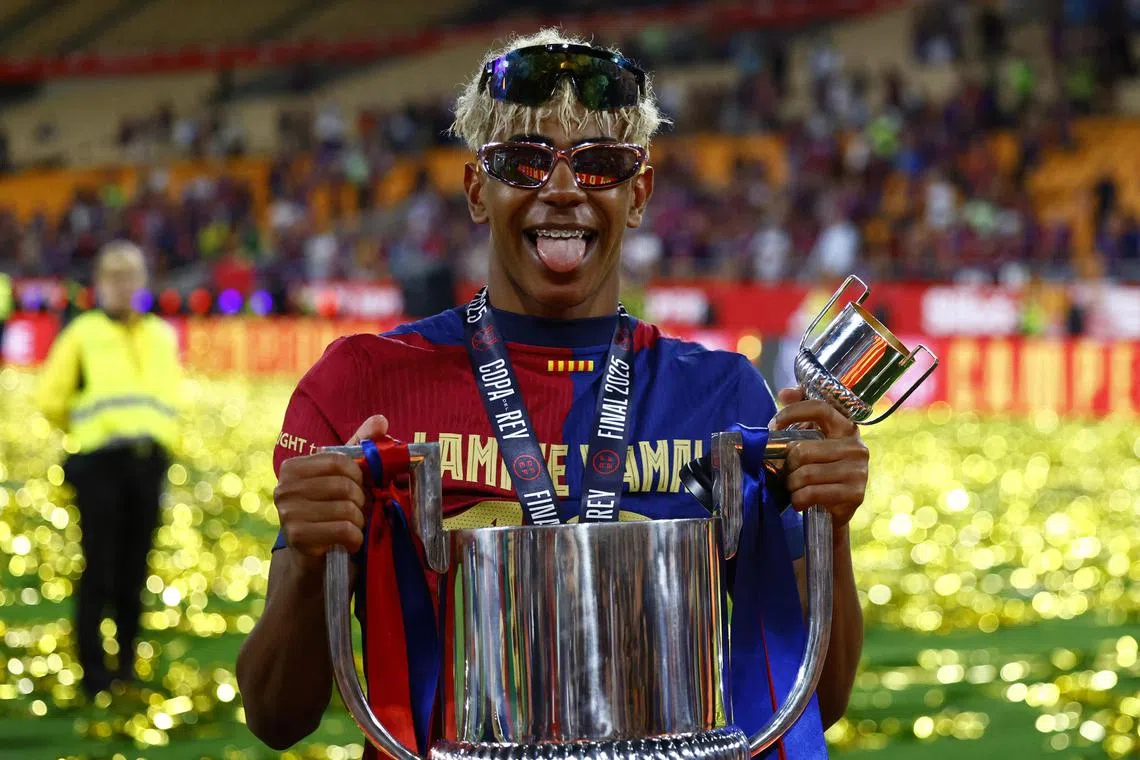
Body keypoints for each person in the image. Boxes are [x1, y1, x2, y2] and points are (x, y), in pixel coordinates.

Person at [237, 30, 867, 756]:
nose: (562, 189)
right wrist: (310, 564)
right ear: (479, 189)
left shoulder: (724, 396)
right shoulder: (358, 384)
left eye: (600, 165)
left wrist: (833, 529)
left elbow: (823, 699)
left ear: (640, 194)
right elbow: (275, 716)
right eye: (524, 162)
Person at [35, 241, 182, 697]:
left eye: (131, 276)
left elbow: (169, 398)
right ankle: (94, 673)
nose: (123, 285)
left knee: (135, 567)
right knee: (99, 566)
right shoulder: (82, 334)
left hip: (148, 463)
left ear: (143, 281)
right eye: (114, 277)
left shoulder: (161, 334)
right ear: (99, 284)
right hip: (100, 464)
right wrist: (88, 432)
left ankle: (126, 667)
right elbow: (50, 399)